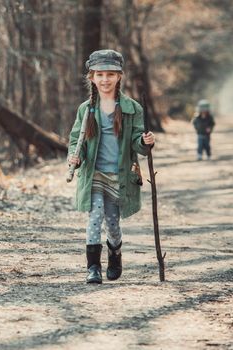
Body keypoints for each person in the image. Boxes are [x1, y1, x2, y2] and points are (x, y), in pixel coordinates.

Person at [67, 49, 155, 284]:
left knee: (113, 223)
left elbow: (138, 143)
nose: (105, 79)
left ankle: (115, 254)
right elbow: (78, 140)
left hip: (120, 175)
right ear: (92, 77)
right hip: (94, 173)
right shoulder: (85, 109)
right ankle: (93, 267)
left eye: (110, 74)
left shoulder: (132, 108)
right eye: (99, 74)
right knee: (95, 217)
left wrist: (146, 142)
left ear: (119, 77)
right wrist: (75, 156)